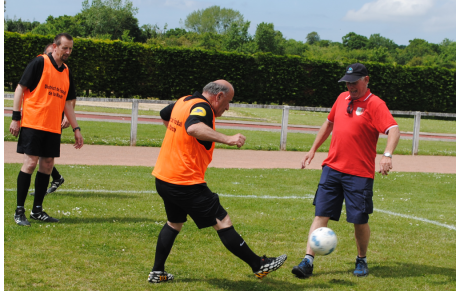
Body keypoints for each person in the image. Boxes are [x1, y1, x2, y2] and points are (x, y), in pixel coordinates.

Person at [148, 80, 287, 283]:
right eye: (228, 101)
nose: (228, 107)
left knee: (174, 223)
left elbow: (164, 115)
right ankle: (258, 265)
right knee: (223, 221)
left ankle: (157, 272)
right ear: (219, 96)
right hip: (186, 181)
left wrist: (178, 140)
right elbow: (194, 127)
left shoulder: (184, 100)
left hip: (164, 177)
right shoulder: (203, 107)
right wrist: (228, 139)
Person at [291, 63, 400, 278]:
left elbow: (393, 129)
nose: (350, 86)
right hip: (332, 168)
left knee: (359, 219)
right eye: (348, 82)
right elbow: (328, 123)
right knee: (321, 213)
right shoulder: (342, 99)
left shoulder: (375, 104)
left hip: (359, 173)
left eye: (355, 82)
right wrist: (313, 150)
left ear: (366, 80)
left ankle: (361, 260)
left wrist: (387, 155)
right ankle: (307, 261)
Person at [9, 33, 83, 226]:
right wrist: (16, 118)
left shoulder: (66, 71)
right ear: (55, 46)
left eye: (71, 49)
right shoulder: (39, 63)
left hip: (52, 127)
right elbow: (19, 89)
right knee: (30, 164)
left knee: (47, 166)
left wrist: (76, 127)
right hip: (33, 123)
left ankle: (37, 210)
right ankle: (19, 211)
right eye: (65, 48)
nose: (68, 52)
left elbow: (67, 102)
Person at [29, 43, 76, 196]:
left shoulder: (64, 70)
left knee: (43, 157)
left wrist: (69, 119)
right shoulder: (40, 65)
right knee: (37, 156)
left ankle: (54, 179)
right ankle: (56, 177)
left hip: (53, 120)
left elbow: (70, 99)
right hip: (37, 119)